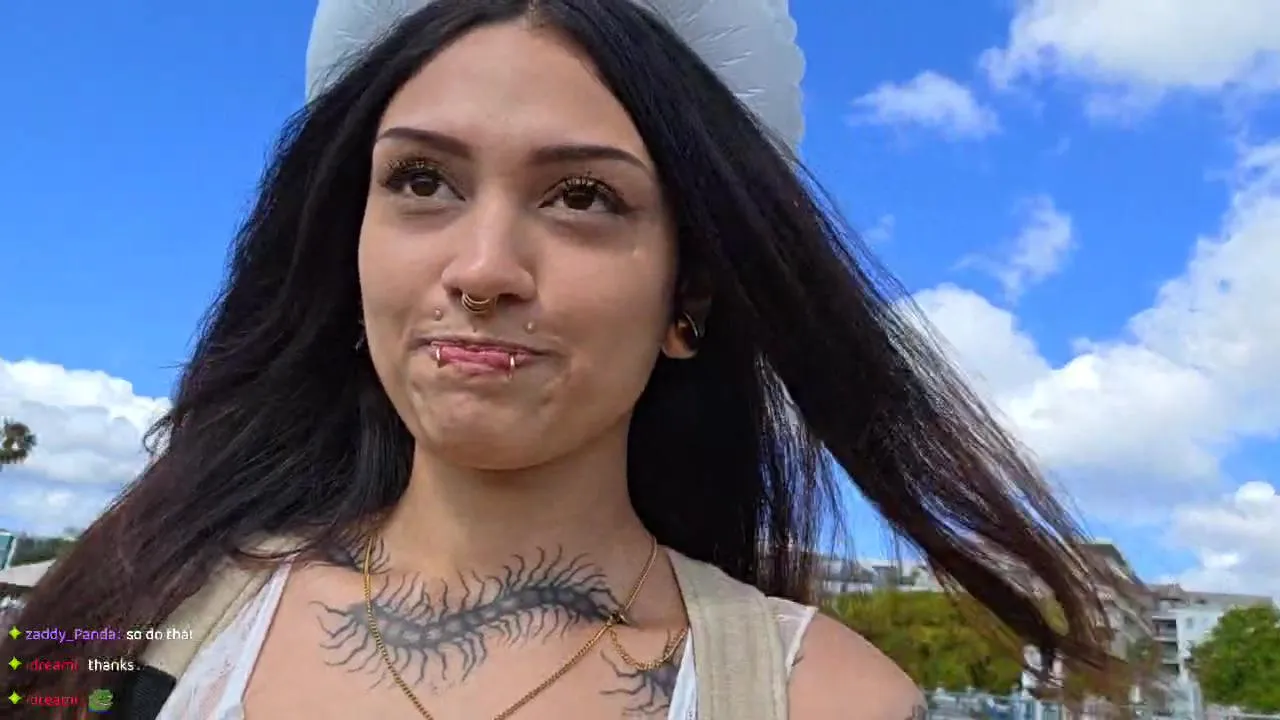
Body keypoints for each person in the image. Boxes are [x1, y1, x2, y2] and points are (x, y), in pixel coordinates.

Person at [4, 0, 1125, 717]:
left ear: (688, 298)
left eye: (581, 197)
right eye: (420, 182)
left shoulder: (828, 700)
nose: (483, 267)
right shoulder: (118, 621)